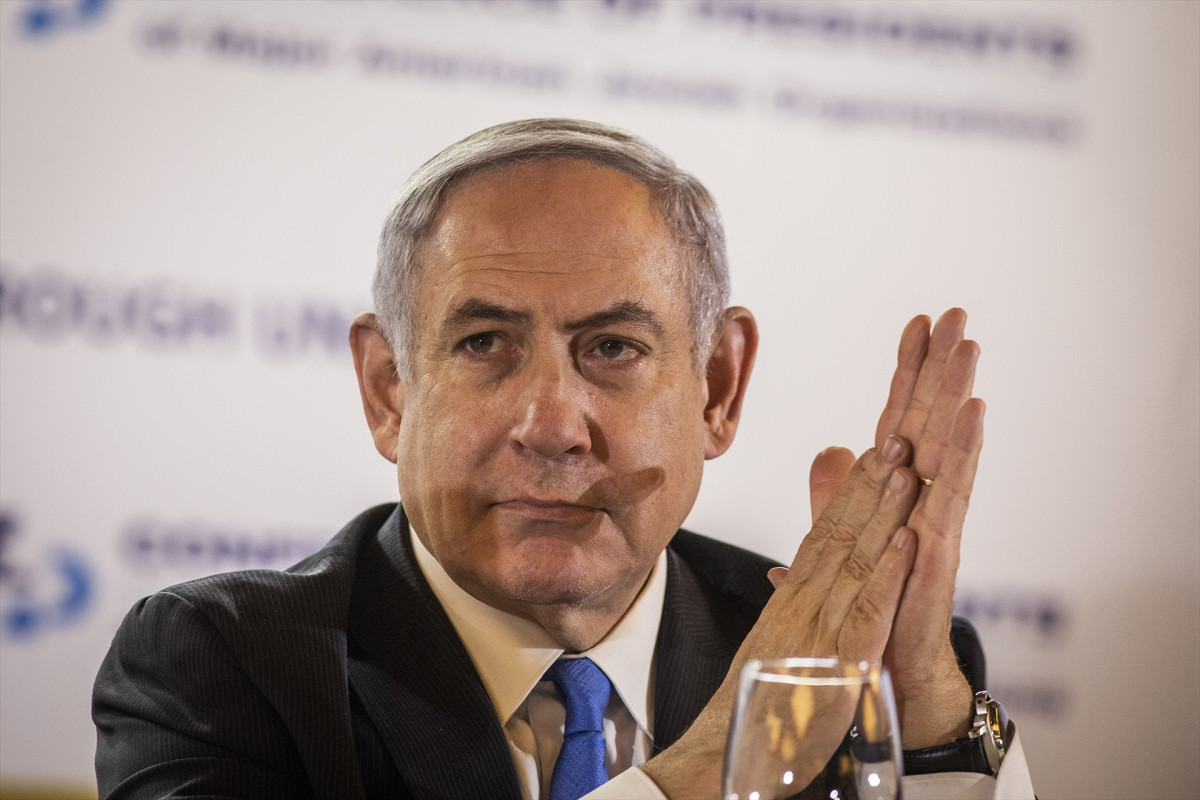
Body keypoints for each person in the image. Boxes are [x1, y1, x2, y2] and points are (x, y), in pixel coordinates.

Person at [93, 119, 1035, 799]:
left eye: (613, 348)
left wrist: (931, 725)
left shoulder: (848, 658)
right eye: (484, 344)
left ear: (716, 387)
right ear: (389, 391)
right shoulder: (222, 664)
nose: (551, 426)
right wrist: (722, 764)